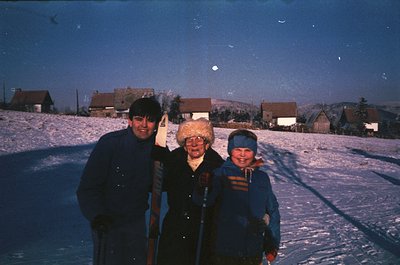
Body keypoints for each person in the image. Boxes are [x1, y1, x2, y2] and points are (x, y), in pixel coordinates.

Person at [76, 97, 162, 265]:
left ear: (157, 124)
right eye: (139, 119)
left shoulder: (157, 150)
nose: (144, 125)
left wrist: (166, 164)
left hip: (136, 224)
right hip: (108, 223)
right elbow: (87, 188)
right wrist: (97, 215)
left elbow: (160, 186)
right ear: (130, 121)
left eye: (150, 120)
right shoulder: (110, 144)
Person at [196, 129, 281, 265]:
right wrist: (203, 187)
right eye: (237, 149)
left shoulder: (262, 178)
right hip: (224, 252)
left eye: (248, 150)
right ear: (230, 151)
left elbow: (273, 211)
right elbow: (203, 201)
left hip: (253, 251)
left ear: (254, 152)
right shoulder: (220, 174)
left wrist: (272, 243)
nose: (242, 155)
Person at [153, 118, 224, 265]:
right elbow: (155, 184)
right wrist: (156, 161)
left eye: (198, 139)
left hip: (203, 234)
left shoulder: (217, 167)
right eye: (189, 139)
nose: (194, 144)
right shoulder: (173, 162)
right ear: (184, 145)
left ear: (207, 143)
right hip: (174, 232)